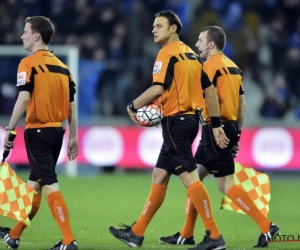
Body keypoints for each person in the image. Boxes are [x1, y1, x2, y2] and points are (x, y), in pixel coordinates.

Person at [108, 11, 229, 250]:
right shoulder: (193, 56)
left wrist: (133, 105)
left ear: (173, 28)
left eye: (159, 25)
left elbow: (157, 88)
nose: (154, 29)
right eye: (153, 26)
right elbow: (211, 92)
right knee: (159, 175)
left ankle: (214, 236)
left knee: (189, 177)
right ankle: (136, 232)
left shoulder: (166, 54)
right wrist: (215, 125)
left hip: (176, 122)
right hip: (189, 121)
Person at [159, 26, 280, 249]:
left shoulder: (208, 68)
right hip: (229, 127)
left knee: (224, 185)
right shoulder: (234, 68)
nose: (196, 45)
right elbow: (242, 106)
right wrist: (238, 134)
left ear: (210, 44)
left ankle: (266, 226)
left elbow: (204, 97)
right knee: (195, 179)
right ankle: (186, 233)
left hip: (216, 129)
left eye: (200, 40)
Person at [0, 16, 78, 250]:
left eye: (25, 32)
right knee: (34, 184)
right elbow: (72, 106)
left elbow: (23, 99)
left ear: (36, 36)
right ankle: (13, 235)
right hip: (57, 133)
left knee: (50, 184)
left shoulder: (28, 63)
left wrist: (10, 128)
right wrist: (73, 137)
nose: (22, 36)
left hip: (38, 132)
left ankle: (68, 240)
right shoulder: (64, 68)